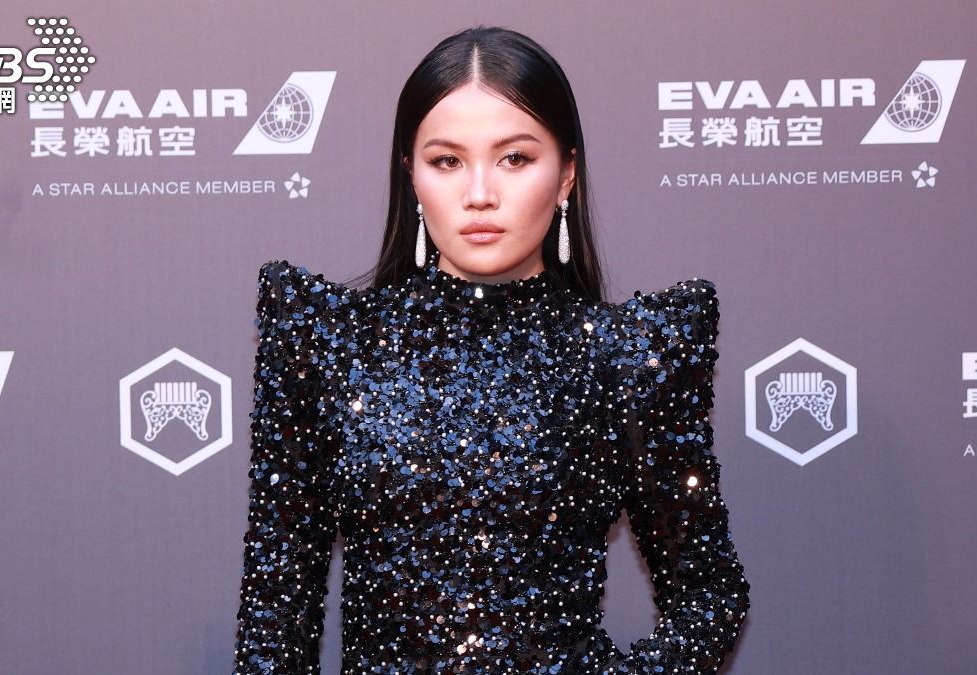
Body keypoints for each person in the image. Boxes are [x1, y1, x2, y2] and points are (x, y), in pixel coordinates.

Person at [232, 25, 750, 674]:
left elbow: (709, 597)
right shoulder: (329, 343)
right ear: (411, 175)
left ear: (566, 175)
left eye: (515, 158)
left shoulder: (630, 356)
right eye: (447, 161)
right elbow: (276, 613)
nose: (479, 193)